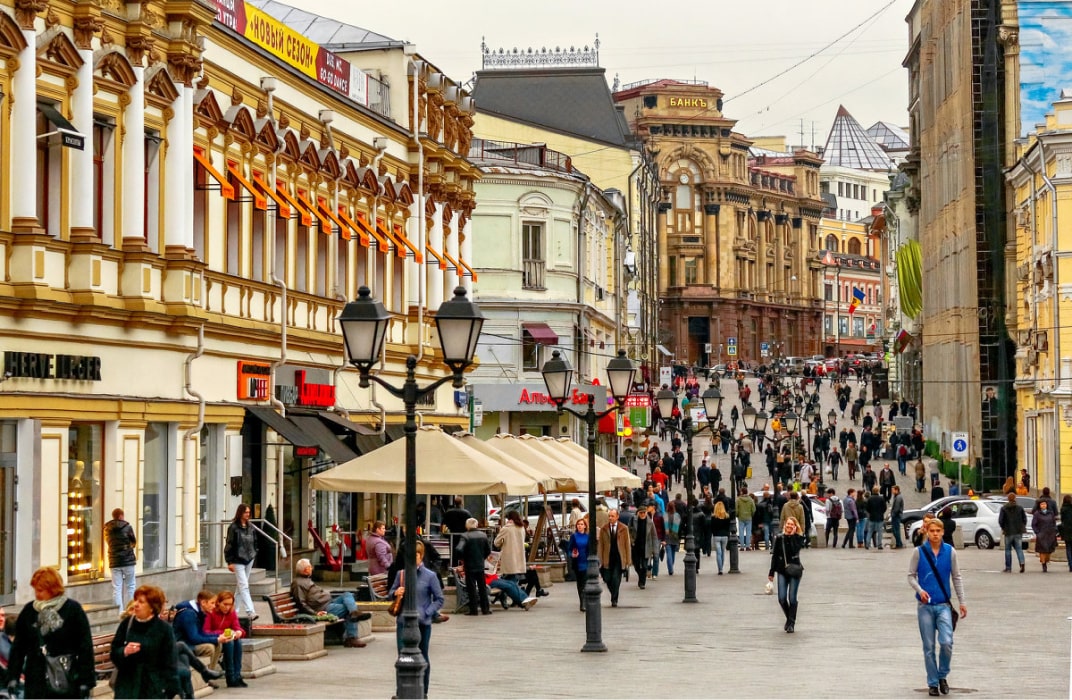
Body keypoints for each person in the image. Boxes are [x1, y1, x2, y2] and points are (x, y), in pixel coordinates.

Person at [6, 567, 95, 699]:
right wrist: (13, 677)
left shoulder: (72, 610)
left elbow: (85, 647)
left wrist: (85, 681)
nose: (37, 594)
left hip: (64, 678)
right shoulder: (29, 611)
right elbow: (18, 647)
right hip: (36, 680)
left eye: (40, 590)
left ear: (53, 589)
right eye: (35, 589)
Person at [908, 519, 967, 697]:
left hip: (943, 606)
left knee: (946, 642)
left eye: (938, 531)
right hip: (925, 606)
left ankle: (942, 675)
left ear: (942, 532)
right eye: (932, 531)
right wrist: (920, 590)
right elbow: (911, 576)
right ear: (927, 532)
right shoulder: (919, 552)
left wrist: (962, 601)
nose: (935, 534)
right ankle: (933, 683)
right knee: (929, 646)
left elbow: (956, 577)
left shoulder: (950, 552)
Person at [388, 540, 443, 698]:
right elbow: (390, 593)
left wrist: (427, 612)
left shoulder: (430, 576)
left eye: (416, 556)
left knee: (423, 656)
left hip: (423, 623)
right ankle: (401, 691)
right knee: (403, 657)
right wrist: (396, 593)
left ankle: (423, 691)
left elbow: (439, 599)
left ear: (421, 556)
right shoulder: (401, 574)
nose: (412, 559)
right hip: (403, 622)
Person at [110, 585, 179, 699]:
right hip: (127, 687)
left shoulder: (163, 629)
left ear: (152, 607)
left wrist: (168, 689)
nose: (136, 604)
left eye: (141, 602)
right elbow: (114, 652)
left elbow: (170, 661)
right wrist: (124, 651)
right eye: (136, 600)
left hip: (152, 689)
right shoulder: (127, 624)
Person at [291, 558, 371, 647]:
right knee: (346, 609)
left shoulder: (306, 580)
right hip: (322, 608)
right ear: (305, 570)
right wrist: (315, 613)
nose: (312, 568)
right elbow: (301, 603)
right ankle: (351, 638)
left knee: (347, 594)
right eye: (310, 567)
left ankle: (354, 612)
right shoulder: (298, 583)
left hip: (328, 602)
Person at [768, 517, 805, 633]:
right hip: (782, 570)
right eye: (788, 524)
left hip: (795, 570)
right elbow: (775, 555)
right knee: (782, 598)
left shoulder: (799, 538)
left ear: (795, 526)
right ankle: (789, 618)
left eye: (791, 524)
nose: (789, 526)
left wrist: (792, 536)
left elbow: (795, 550)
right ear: (785, 525)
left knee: (792, 598)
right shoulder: (780, 538)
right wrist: (771, 572)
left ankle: (791, 623)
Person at [202, 591, 246, 688]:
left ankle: (237, 675)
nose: (227, 607)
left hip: (226, 638)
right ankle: (230, 676)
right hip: (214, 639)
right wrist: (222, 633)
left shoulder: (232, 612)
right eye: (225, 604)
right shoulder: (211, 612)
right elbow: (206, 631)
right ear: (218, 603)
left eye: (230, 604)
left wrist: (239, 632)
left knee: (237, 641)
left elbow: (237, 627)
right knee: (229, 642)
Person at [224, 503, 258, 620]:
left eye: (249, 512)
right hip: (238, 559)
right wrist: (229, 561)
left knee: (241, 585)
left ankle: (234, 611)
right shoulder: (233, 527)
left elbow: (255, 541)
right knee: (244, 585)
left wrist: (254, 552)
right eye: (245, 512)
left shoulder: (251, 527)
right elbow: (229, 544)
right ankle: (250, 611)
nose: (248, 514)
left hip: (249, 558)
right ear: (240, 513)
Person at [456, 518, 492, 616]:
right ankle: (485, 609)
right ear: (476, 525)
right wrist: (482, 557)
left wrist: (463, 558)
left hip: (469, 565)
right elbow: (488, 550)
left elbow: (459, 549)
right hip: (480, 564)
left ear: (467, 526)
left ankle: (473, 610)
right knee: (482, 587)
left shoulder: (465, 536)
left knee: (471, 588)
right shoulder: (483, 535)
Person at [597, 509, 632, 607]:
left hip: (619, 558)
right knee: (607, 578)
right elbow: (601, 545)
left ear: (617, 517)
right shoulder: (604, 529)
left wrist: (628, 560)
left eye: (612, 516)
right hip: (607, 557)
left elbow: (627, 544)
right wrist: (600, 559)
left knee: (616, 579)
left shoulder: (623, 528)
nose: (610, 518)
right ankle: (614, 593)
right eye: (609, 516)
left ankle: (614, 599)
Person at [104, 508, 137, 610]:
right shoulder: (127, 527)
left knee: (117, 588)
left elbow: (108, 542)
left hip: (114, 562)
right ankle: (132, 610)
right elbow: (133, 542)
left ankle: (119, 612)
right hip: (128, 561)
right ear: (121, 516)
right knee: (131, 586)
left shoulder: (107, 529)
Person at [493, 511, 527, 583]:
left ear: (508, 518)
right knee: (514, 581)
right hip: (519, 558)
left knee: (509, 582)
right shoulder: (521, 528)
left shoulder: (506, 528)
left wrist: (503, 543)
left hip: (509, 559)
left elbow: (496, 543)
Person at [998, 492, 1026, 573]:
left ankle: (1008, 567)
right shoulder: (1020, 508)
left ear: (1008, 499)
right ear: (1015, 499)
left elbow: (1000, 520)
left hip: (1008, 531)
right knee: (1019, 548)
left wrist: (1003, 528)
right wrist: (1021, 526)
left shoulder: (1004, 508)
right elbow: (1024, 519)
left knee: (1008, 550)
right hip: (1018, 531)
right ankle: (1022, 563)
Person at [629, 506, 657, 589]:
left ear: (646, 513)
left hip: (646, 547)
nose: (642, 514)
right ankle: (641, 576)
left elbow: (654, 536)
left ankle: (642, 583)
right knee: (636, 565)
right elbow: (628, 531)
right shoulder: (633, 520)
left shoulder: (650, 522)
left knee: (644, 566)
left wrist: (655, 549)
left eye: (644, 512)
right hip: (635, 546)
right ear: (638, 513)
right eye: (641, 513)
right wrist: (631, 540)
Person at [567, 517, 591, 611]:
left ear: (585, 526)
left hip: (586, 561)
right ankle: (582, 601)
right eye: (578, 524)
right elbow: (569, 549)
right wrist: (572, 554)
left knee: (585, 582)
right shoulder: (574, 536)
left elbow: (591, 550)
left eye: (581, 524)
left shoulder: (588, 537)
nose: (580, 526)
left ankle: (584, 603)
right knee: (580, 583)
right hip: (577, 562)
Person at [1031, 499, 1058, 573]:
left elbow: (1054, 523)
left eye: (1045, 504)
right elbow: (1034, 524)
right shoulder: (1037, 514)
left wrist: (1054, 530)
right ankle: (1044, 564)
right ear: (1039, 506)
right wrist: (1037, 532)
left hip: (1050, 534)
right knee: (1042, 550)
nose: (1043, 505)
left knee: (1049, 550)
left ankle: (1046, 560)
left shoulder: (1051, 513)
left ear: (1047, 505)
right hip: (1041, 534)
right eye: (1042, 504)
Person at [710, 501, 732, 575]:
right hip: (725, 536)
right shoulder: (727, 516)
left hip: (716, 536)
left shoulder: (714, 517)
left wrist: (714, 533)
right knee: (723, 552)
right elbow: (728, 527)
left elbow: (712, 527)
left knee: (718, 553)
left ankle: (720, 569)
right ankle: (721, 567)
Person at [736, 488, 755, 553]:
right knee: (748, 532)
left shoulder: (738, 500)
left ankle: (742, 546)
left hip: (741, 517)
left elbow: (736, 509)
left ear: (742, 492)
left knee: (741, 532)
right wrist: (751, 514)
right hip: (749, 517)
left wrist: (737, 515)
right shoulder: (750, 499)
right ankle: (747, 546)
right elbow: (753, 509)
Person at [664, 502, 681, 573]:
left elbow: (663, 526)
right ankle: (671, 565)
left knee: (668, 553)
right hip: (674, 536)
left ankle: (670, 568)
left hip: (667, 536)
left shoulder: (665, 515)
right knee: (673, 552)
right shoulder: (677, 515)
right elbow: (679, 526)